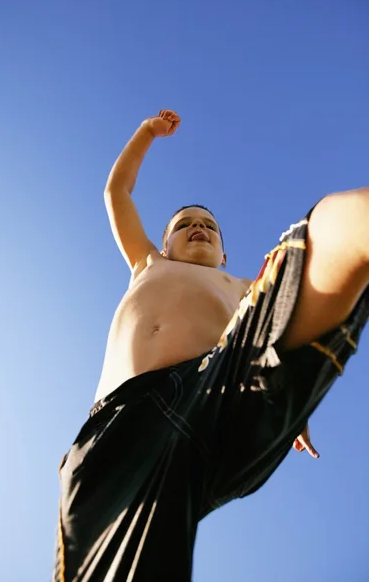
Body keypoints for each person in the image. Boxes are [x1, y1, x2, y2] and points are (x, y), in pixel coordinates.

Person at [53, 110, 369, 582]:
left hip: (221, 393)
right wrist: (146, 134)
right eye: (184, 225)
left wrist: (292, 398)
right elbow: (116, 192)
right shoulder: (148, 265)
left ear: (223, 252)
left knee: (306, 249)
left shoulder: (243, 285)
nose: (198, 227)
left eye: (208, 225)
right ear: (163, 246)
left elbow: (275, 324)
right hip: (126, 423)